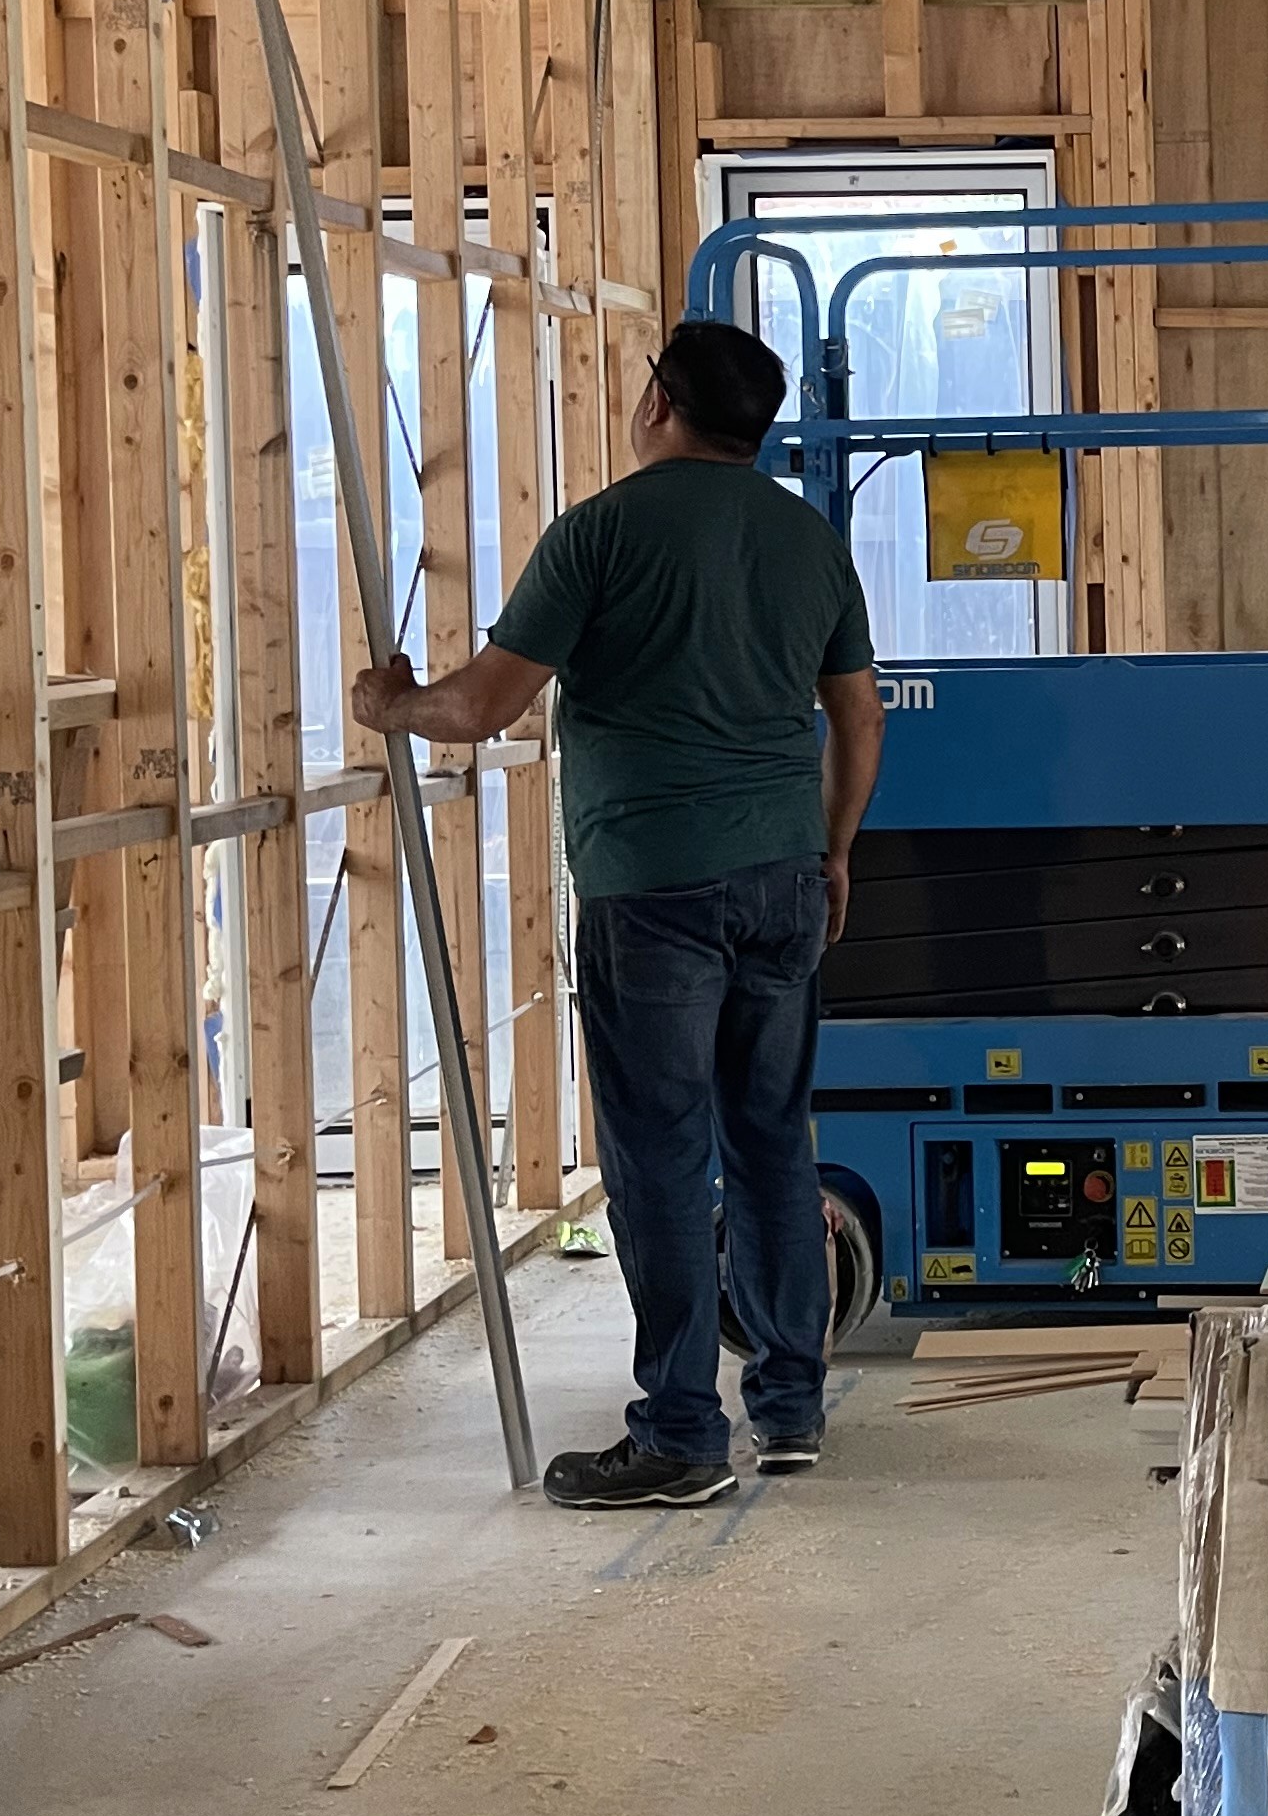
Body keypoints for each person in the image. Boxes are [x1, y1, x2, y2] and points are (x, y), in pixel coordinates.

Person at [351, 318, 881, 1509]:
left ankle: (682, 1435)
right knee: (772, 1143)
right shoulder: (810, 541)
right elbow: (858, 715)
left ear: (657, 404)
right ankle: (790, 1409)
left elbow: (481, 709)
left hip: (655, 888)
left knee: (661, 1158)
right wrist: (835, 849)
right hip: (786, 878)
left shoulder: (600, 534)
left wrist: (395, 706)